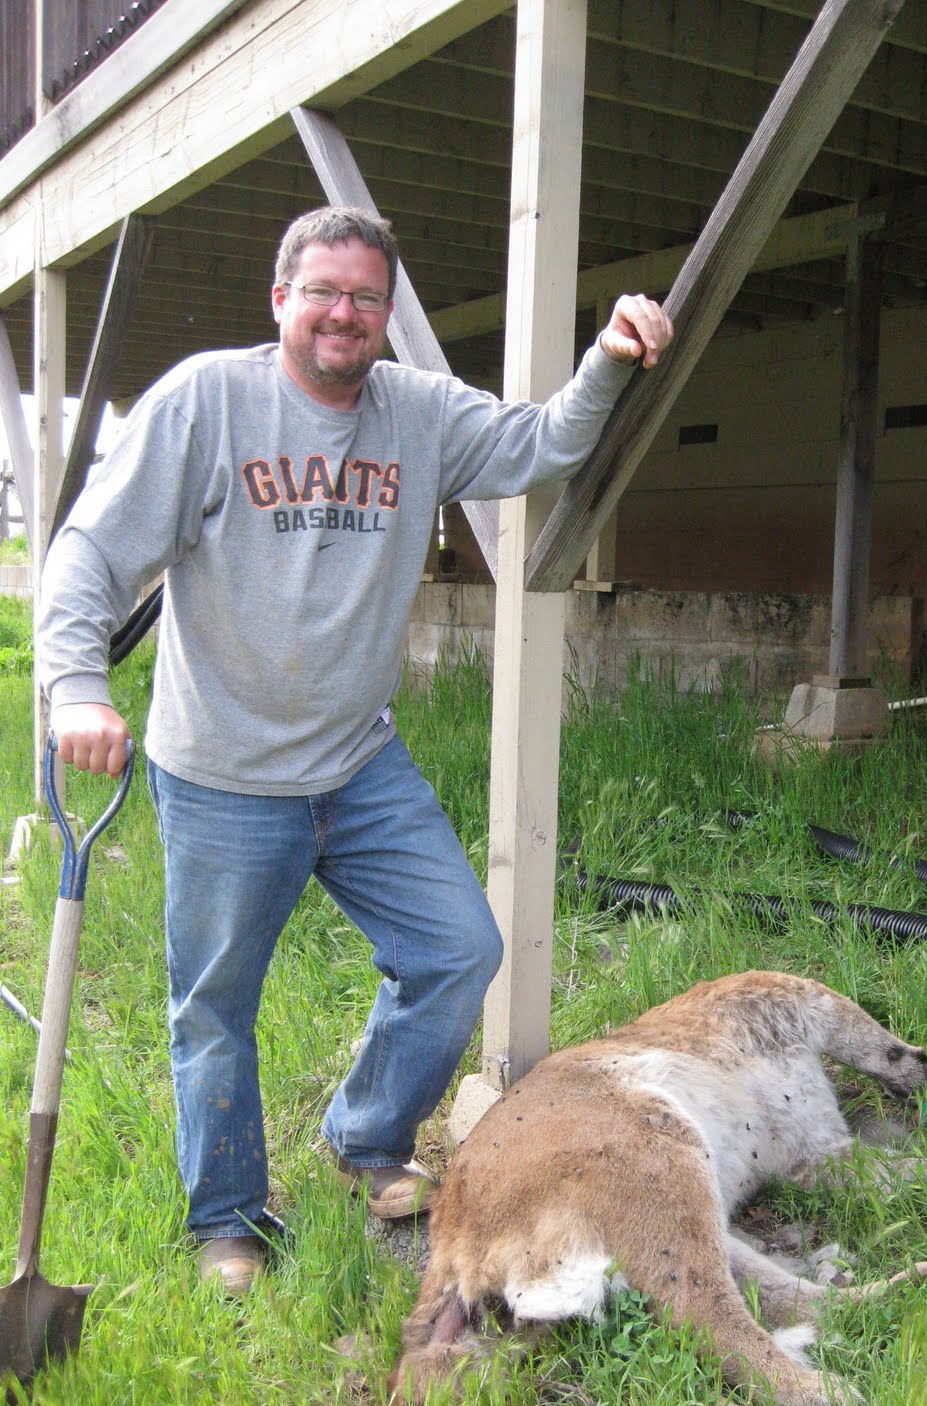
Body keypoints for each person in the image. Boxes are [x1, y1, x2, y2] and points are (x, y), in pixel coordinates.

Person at [36, 205, 674, 1294]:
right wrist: (77, 689)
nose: (345, 314)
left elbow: (543, 443)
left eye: (367, 298)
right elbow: (90, 554)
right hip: (225, 775)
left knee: (458, 947)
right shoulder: (206, 402)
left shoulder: (415, 412)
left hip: (358, 765)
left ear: (387, 315)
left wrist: (610, 358)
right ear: (280, 299)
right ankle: (227, 1219)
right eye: (323, 292)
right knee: (215, 1006)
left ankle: (365, 1136)